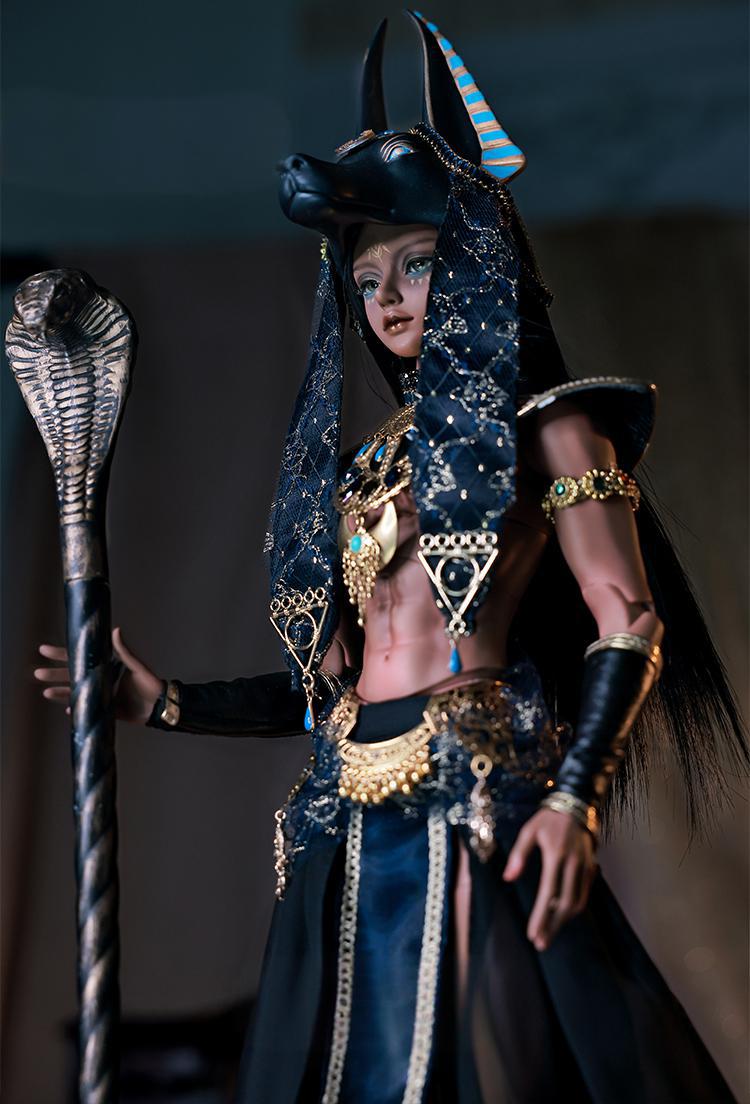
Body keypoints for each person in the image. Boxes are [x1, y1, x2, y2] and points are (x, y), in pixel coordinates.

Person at [36, 12, 746, 1104]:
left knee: (471, 1063)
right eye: (368, 281)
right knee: (340, 1068)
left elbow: (627, 618)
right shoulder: (369, 464)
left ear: (474, 259)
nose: (391, 299)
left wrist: (576, 798)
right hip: (344, 797)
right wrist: (167, 701)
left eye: (417, 264)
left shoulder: (555, 428)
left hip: (470, 779)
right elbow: (329, 684)